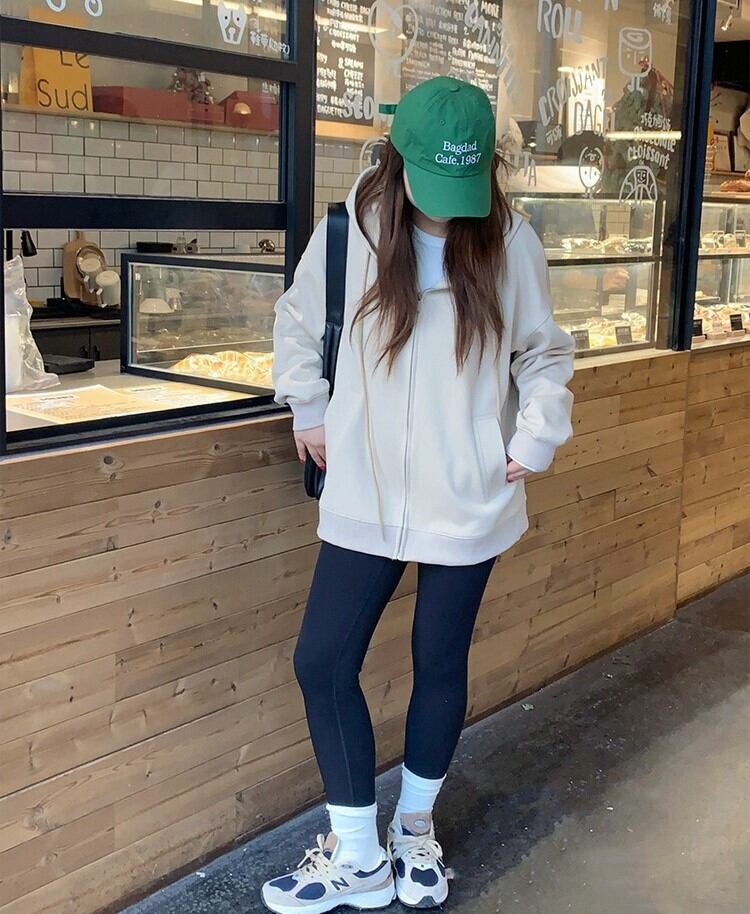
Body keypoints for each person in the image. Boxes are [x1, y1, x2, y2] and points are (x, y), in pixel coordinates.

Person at [263, 75, 575, 914]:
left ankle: (413, 831)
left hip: (468, 491)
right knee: (322, 661)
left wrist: (535, 434)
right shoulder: (352, 229)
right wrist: (309, 405)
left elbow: (545, 354)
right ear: (398, 160)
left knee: (439, 662)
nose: (448, 211)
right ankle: (359, 855)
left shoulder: (511, 241)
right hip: (365, 487)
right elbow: (297, 323)